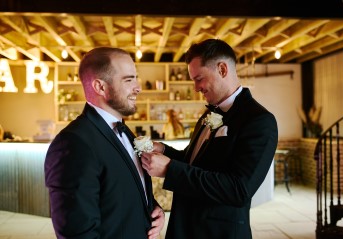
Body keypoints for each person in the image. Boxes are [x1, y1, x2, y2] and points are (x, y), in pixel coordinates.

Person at [141, 39, 278, 239]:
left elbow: (239, 190)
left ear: (222, 69)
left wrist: (171, 169)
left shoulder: (259, 120)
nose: (196, 87)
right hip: (185, 226)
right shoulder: (208, 115)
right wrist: (163, 149)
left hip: (217, 232)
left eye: (199, 79)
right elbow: (193, 162)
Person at [44, 47, 165, 239]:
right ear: (100, 87)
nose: (138, 87)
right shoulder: (73, 144)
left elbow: (118, 189)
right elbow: (78, 233)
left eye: (136, 78)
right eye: (128, 80)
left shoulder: (124, 131)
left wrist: (152, 206)